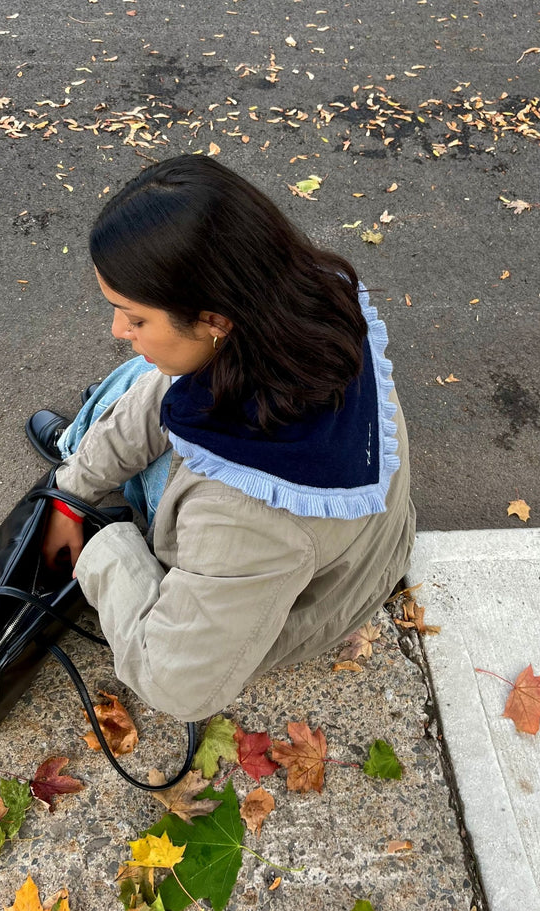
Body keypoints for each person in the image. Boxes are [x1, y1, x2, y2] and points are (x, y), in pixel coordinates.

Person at [31, 154, 416, 724]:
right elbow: (169, 391)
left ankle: (85, 433)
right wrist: (71, 491)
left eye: (133, 318)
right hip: (367, 550)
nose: (117, 329)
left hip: (299, 594)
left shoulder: (246, 517)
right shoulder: (310, 296)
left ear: (215, 319)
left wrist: (103, 546)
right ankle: (87, 441)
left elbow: (176, 687)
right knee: (154, 376)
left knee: (137, 382)